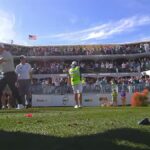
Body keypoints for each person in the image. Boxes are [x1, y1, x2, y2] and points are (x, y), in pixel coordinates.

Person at [0, 43, 24, 109]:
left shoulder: (6, 53)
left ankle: (20, 104)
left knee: (14, 90)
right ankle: (20, 104)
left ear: (2, 48)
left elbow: (0, 61)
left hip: (10, 74)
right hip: (4, 74)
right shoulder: (1, 54)